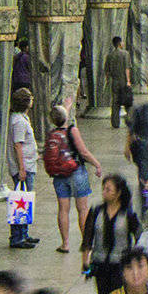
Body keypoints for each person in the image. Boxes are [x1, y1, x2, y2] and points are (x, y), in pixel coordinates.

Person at [44, 103, 99, 254]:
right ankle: (86, 243)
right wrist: (97, 164)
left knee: (63, 209)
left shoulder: (53, 133)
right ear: (66, 117)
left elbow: (60, 117)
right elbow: (84, 152)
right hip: (76, 172)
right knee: (82, 209)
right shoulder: (72, 130)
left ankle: (65, 244)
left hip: (59, 176)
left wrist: (64, 108)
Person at [83, 174, 141, 294]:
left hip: (120, 265)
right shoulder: (96, 211)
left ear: (118, 193)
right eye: (103, 189)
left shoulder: (128, 214)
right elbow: (87, 237)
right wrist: (86, 263)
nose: (104, 192)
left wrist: (135, 262)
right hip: (100, 264)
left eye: (108, 189)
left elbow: (140, 237)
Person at [7, 86, 41, 250]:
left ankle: (24, 233)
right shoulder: (19, 121)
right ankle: (17, 237)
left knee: (25, 201)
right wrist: (22, 168)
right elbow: (18, 145)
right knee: (21, 201)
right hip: (24, 166)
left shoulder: (20, 118)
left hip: (28, 164)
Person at [103, 38, 132, 130]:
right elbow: (127, 68)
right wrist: (128, 81)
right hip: (123, 80)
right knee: (127, 101)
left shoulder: (110, 55)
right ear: (120, 43)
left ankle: (115, 122)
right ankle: (130, 120)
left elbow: (107, 71)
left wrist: (108, 81)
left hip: (114, 81)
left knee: (115, 102)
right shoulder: (125, 54)